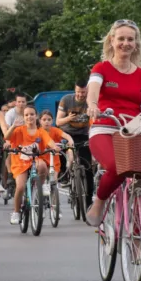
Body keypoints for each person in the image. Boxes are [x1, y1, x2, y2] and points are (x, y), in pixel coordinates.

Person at [84, 20, 141, 229]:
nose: (125, 43)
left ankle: (139, 239)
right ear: (112, 41)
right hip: (105, 127)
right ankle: (99, 203)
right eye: (121, 39)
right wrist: (92, 105)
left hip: (133, 132)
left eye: (130, 39)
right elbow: (92, 91)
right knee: (116, 166)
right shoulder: (102, 68)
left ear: (136, 44)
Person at [4, 105, 56, 225]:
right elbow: (6, 137)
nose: (29, 117)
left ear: (36, 116)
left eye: (32, 114)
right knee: (21, 187)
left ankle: (41, 186)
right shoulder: (18, 130)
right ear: (23, 117)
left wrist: (55, 147)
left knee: (42, 166)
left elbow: (49, 140)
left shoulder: (40, 131)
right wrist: (13, 126)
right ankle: (16, 212)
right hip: (20, 162)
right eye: (26, 115)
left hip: (34, 159)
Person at [57, 79, 95, 208]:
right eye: (78, 92)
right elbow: (58, 122)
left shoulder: (90, 102)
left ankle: (89, 199)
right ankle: (66, 175)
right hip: (67, 134)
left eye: (83, 92)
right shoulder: (66, 100)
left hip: (83, 134)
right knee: (66, 152)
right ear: (75, 90)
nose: (81, 95)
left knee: (88, 166)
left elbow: (95, 120)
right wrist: (69, 118)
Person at [39, 109, 68, 177]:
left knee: (53, 181)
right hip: (41, 159)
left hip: (54, 160)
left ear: (52, 121)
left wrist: (69, 141)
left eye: (49, 120)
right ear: (40, 121)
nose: (47, 122)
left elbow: (65, 136)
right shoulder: (38, 131)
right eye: (44, 120)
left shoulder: (55, 130)